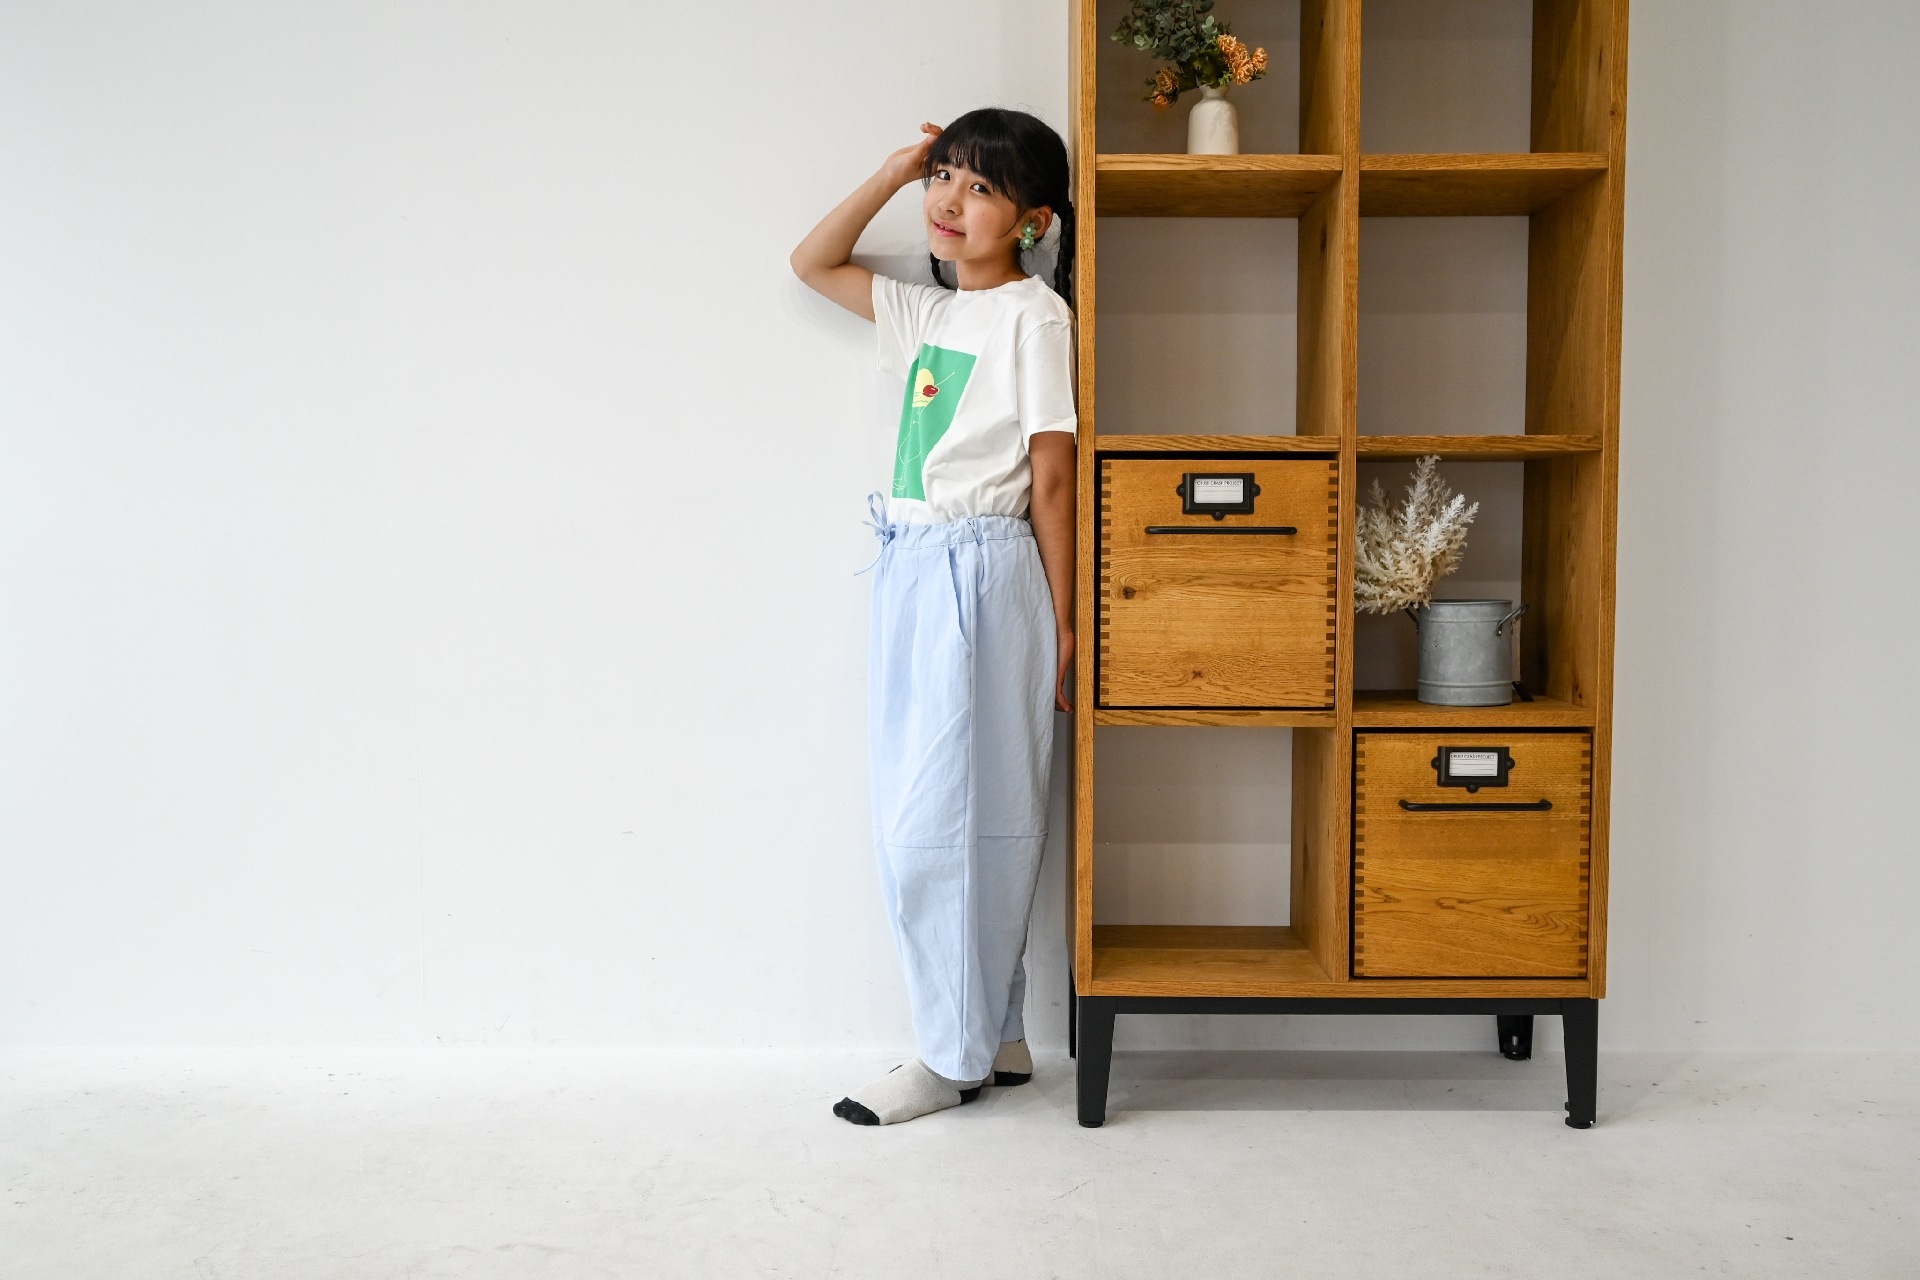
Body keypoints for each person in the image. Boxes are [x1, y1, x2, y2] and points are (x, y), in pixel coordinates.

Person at [790, 108, 1078, 1125]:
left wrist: (1067, 623)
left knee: (943, 826)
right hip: (913, 566)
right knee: (958, 813)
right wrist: (893, 170)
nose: (950, 201)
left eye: (981, 186)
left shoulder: (1035, 316)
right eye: (943, 178)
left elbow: (1052, 477)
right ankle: (996, 1035)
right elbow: (811, 262)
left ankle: (947, 1059)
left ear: (1034, 220)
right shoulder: (928, 313)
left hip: (986, 568)